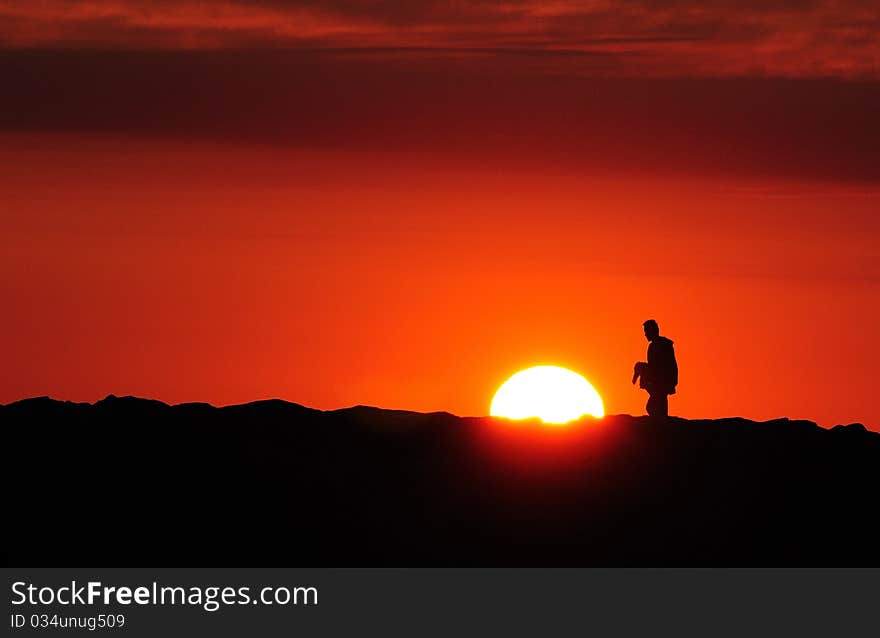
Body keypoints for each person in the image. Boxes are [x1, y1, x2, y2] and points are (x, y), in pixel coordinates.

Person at [632, 319, 678, 417]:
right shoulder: (656, 345)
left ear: (652, 331)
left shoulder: (662, 345)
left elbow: (668, 365)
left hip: (662, 381)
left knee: (654, 406)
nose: (645, 334)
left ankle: (661, 423)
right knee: (655, 406)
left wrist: (641, 369)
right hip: (659, 380)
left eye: (646, 331)